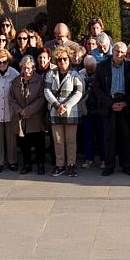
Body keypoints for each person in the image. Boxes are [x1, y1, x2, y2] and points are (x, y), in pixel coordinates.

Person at [92, 42, 130, 177]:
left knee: (126, 137)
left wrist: (125, 103)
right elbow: (97, 88)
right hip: (108, 104)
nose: (119, 54)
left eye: (122, 52)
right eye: (117, 51)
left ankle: (127, 165)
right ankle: (109, 165)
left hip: (124, 104)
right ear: (113, 51)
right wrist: (109, 103)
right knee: (109, 137)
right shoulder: (102, 66)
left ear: (125, 54)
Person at [45, 48, 85, 177]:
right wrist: (57, 105)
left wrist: (66, 106)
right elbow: (47, 91)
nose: (62, 61)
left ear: (69, 59)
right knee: (58, 140)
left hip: (71, 111)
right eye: (59, 59)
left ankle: (71, 165)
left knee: (71, 140)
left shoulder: (75, 74)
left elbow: (79, 93)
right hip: (55, 111)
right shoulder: (51, 73)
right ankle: (60, 165)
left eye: (65, 59)